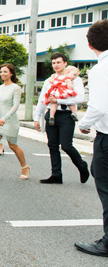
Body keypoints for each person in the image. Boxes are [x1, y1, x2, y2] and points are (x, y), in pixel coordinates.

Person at [75, 19, 108, 257]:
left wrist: (84, 125)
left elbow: (99, 105)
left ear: (89, 44)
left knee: (105, 186)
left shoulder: (101, 69)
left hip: (106, 137)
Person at [33, 53, 89, 184]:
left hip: (66, 115)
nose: (56, 65)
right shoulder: (49, 80)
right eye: (53, 63)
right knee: (52, 145)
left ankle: (82, 166)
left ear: (65, 63)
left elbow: (80, 98)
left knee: (66, 145)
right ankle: (56, 175)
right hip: (52, 115)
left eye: (58, 62)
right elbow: (42, 100)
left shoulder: (75, 79)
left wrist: (58, 100)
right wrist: (37, 117)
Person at [0, 63, 30, 180]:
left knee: (13, 146)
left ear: (11, 73)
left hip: (10, 121)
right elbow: (1, 104)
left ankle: (24, 166)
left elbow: (15, 106)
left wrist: (5, 119)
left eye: (5, 72)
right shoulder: (1, 87)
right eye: (1, 72)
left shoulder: (16, 88)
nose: (2, 74)